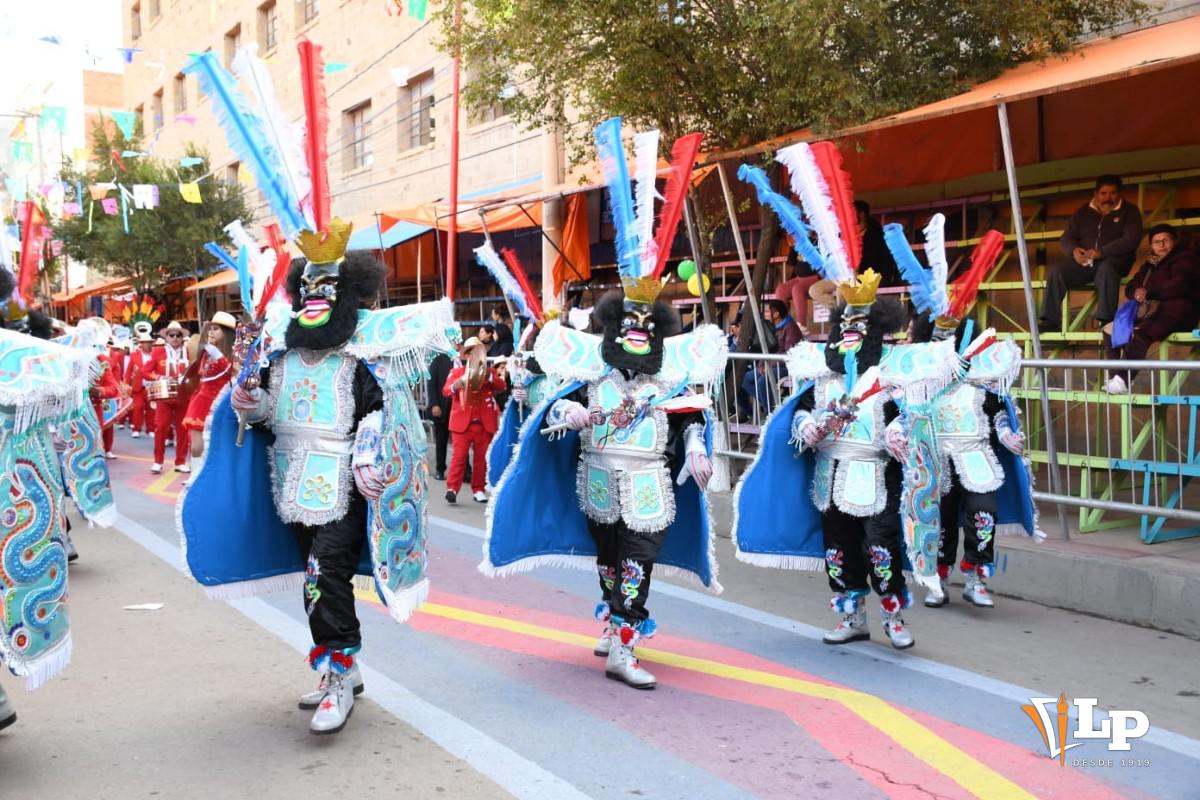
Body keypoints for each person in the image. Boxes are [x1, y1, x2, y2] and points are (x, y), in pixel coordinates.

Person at [483, 119, 724, 690]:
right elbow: (554, 414)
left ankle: (624, 642)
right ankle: (616, 619)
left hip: (648, 487)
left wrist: (695, 451)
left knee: (637, 561)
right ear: (614, 327)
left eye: (649, 325)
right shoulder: (591, 375)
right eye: (630, 324)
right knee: (611, 562)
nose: (639, 332)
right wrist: (567, 417)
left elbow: (690, 416)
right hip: (596, 482)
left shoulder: (670, 376)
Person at [195, 220, 459, 735]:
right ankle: (344, 668)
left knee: (323, 576)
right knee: (314, 578)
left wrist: (365, 453)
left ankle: (338, 673)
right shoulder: (281, 358)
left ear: (346, 298)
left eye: (327, 291)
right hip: (291, 482)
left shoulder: (360, 360)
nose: (315, 300)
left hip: (342, 486)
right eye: (308, 291)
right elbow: (270, 415)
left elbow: (380, 412)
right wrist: (251, 404)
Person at [886, 221, 1041, 609]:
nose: (943, 343)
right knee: (938, 519)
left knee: (983, 513)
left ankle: (976, 576)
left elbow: (995, 411)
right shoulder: (918, 377)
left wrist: (1006, 434)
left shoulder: (975, 370)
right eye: (937, 335)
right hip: (935, 458)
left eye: (949, 334)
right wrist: (896, 429)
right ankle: (937, 579)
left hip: (974, 454)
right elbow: (902, 411)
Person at [1104, 224, 1200, 394]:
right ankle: (1117, 378)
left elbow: (1180, 285)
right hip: (1153, 311)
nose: (1161, 245)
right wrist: (1136, 292)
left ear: (1174, 241)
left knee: (1143, 332)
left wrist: (1149, 291)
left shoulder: (1186, 258)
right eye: (1156, 242)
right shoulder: (1150, 264)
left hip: (1178, 311)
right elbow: (1131, 287)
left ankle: (1123, 379)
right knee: (1109, 329)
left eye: (1165, 240)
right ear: (1152, 246)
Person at [1040, 175, 1144, 331]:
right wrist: (1074, 251)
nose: (1108, 197)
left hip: (1116, 261)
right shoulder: (1083, 211)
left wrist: (1101, 252)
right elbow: (1067, 237)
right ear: (1095, 194)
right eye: (1103, 193)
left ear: (1120, 194)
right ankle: (1049, 322)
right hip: (1085, 263)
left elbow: (1131, 240)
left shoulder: (1130, 211)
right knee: (1057, 271)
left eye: (1113, 193)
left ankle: (1106, 320)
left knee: (1106, 268)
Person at [442, 336, 506, 504]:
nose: (473, 356)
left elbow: (502, 385)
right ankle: (452, 489)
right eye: (470, 353)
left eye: (477, 352)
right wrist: (455, 386)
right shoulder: (457, 373)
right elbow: (446, 390)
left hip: (484, 423)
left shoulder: (489, 373)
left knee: (481, 458)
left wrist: (489, 377)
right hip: (462, 423)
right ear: (466, 355)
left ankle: (478, 489)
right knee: (459, 456)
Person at [808, 200, 900, 311]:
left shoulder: (877, 235)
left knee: (842, 287)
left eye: (851, 212)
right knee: (815, 290)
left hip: (865, 276)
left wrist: (885, 282)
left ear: (862, 214)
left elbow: (886, 260)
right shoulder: (845, 233)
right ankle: (840, 315)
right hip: (842, 274)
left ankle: (845, 319)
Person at [181, 311, 236, 464]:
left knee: (219, 447)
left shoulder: (233, 355)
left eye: (216, 329)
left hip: (222, 404)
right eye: (210, 328)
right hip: (201, 402)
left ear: (226, 333)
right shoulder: (206, 353)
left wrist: (218, 356)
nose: (211, 332)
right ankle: (196, 477)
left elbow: (234, 372)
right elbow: (197, 376)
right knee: (196, 447)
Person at [145, 320, 192, 474]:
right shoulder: (158, 352)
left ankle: (180, 461)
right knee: (161, 428)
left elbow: (198, 372)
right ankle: (158, 461)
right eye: (171, 335)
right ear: (166, 337)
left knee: (183, 430)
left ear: (182, 337)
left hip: (183, 396)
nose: (175, 338)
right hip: (164, 396)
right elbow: (145, 371)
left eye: (178, 335)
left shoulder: (189, 352)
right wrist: (158, 377)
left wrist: (189, 379)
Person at [426, 352, 453, 480]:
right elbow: (431, 383)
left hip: (459, 408)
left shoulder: (463, 357)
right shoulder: (439, 357)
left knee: (461, 441)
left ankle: (465, 471)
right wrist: (434, 404)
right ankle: (440, 469)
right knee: (441, 439)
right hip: (442, 405)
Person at [124, 333, 156, 437]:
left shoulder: (155, 355)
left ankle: (150, 429)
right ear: (141, 344)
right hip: (138, 386)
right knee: (138, 407)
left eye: (149, 342)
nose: (147, 345)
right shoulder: (134, 355)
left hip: (151, 386)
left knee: (151, 408)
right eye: (145, 342)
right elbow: (128, 371)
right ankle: (136, 429)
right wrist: (126, 384)